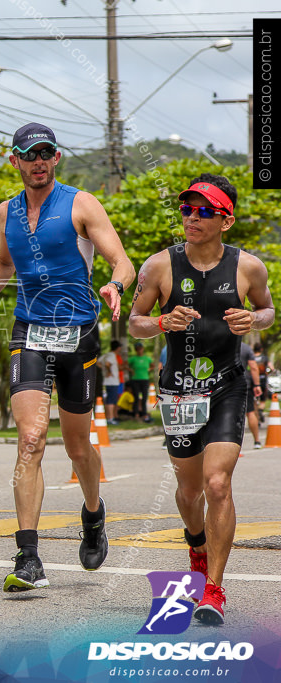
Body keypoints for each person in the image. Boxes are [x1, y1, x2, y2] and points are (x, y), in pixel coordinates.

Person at [0, 122, 135, 592]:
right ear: (14, 159)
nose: (38, 161)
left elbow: (123, 261)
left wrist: (114, 285)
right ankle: (29, 555)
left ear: (56, 158)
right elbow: (3, 264)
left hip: (77, 332)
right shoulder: (7, 212)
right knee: (32, 440)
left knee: (78, 447)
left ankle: (94, 514)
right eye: (29, 154)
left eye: (46, 153)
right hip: (29, 332)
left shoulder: (81, 203)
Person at [129, 173, 274, 625]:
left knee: (217, 485)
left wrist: (253, 318)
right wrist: (162, 322)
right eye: (187, 209)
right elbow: (134, 322)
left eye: (204, 211)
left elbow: (269, 310)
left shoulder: (249, 267)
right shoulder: (158, 266)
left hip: (229, 384)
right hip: (178, 389)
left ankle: (213, 588)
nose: (192, 217)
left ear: (225, 220)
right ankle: (196, 548)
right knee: (190, 492)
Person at [240, 341, 262, 449]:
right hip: (244, 384)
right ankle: (257, 441)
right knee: (250, 412)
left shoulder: (222, 343)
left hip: (226, 385)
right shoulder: (246, 348)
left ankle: (233, 444)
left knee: (231, 415)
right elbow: (253, 367)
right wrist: (257, 384)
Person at [127, 342, 154, 423]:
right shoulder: (133, 359)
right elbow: (125, 365)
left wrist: (149, 369)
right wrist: (131, 370)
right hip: (135, 379)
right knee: (136, 397)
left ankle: (144, 413)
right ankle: (136, 413)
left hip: (145, 379)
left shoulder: (147, 358)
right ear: (136, 350)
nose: (139, 350)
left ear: (143, 349)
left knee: (145, 397)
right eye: (137, 349)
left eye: (140, 348)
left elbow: (153, 365)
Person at [100, 340, 122, 425]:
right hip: (112, 381)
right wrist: (108, 371)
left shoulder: (106, 355)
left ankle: (108, 417)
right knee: (112, 400)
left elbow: (98, 362)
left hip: (107, 381)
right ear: (118, 348)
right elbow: (107, 364)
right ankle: (111, 418)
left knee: (109, 399)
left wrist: (104, 371)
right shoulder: (112, 355)